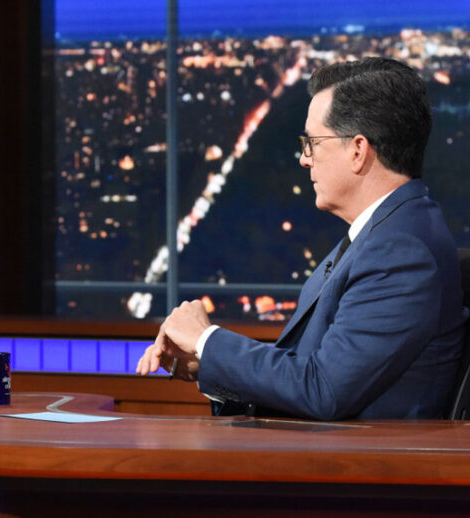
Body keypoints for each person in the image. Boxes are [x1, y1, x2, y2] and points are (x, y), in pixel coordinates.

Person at [136, 57, 467, 421]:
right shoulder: (386, 234)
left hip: (355, 470)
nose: (304, 159)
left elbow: (322, 389)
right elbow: (310, 372)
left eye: (312, 143)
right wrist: (211, 364)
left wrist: (206, 338)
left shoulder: (400, 251)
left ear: (358, 151)